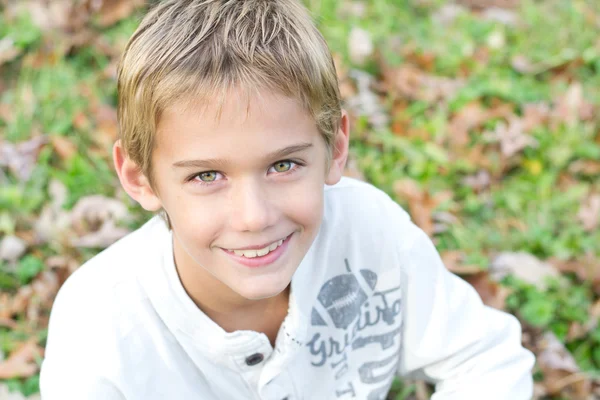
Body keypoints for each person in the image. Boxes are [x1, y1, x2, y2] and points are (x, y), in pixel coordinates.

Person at [39, 0, 535, 398]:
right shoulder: (100, 329)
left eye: (283, 165)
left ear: (335, 148)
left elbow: (484, 360)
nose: (254, 217)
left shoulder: (369, 233)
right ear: (140, 177)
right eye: (207, 175)